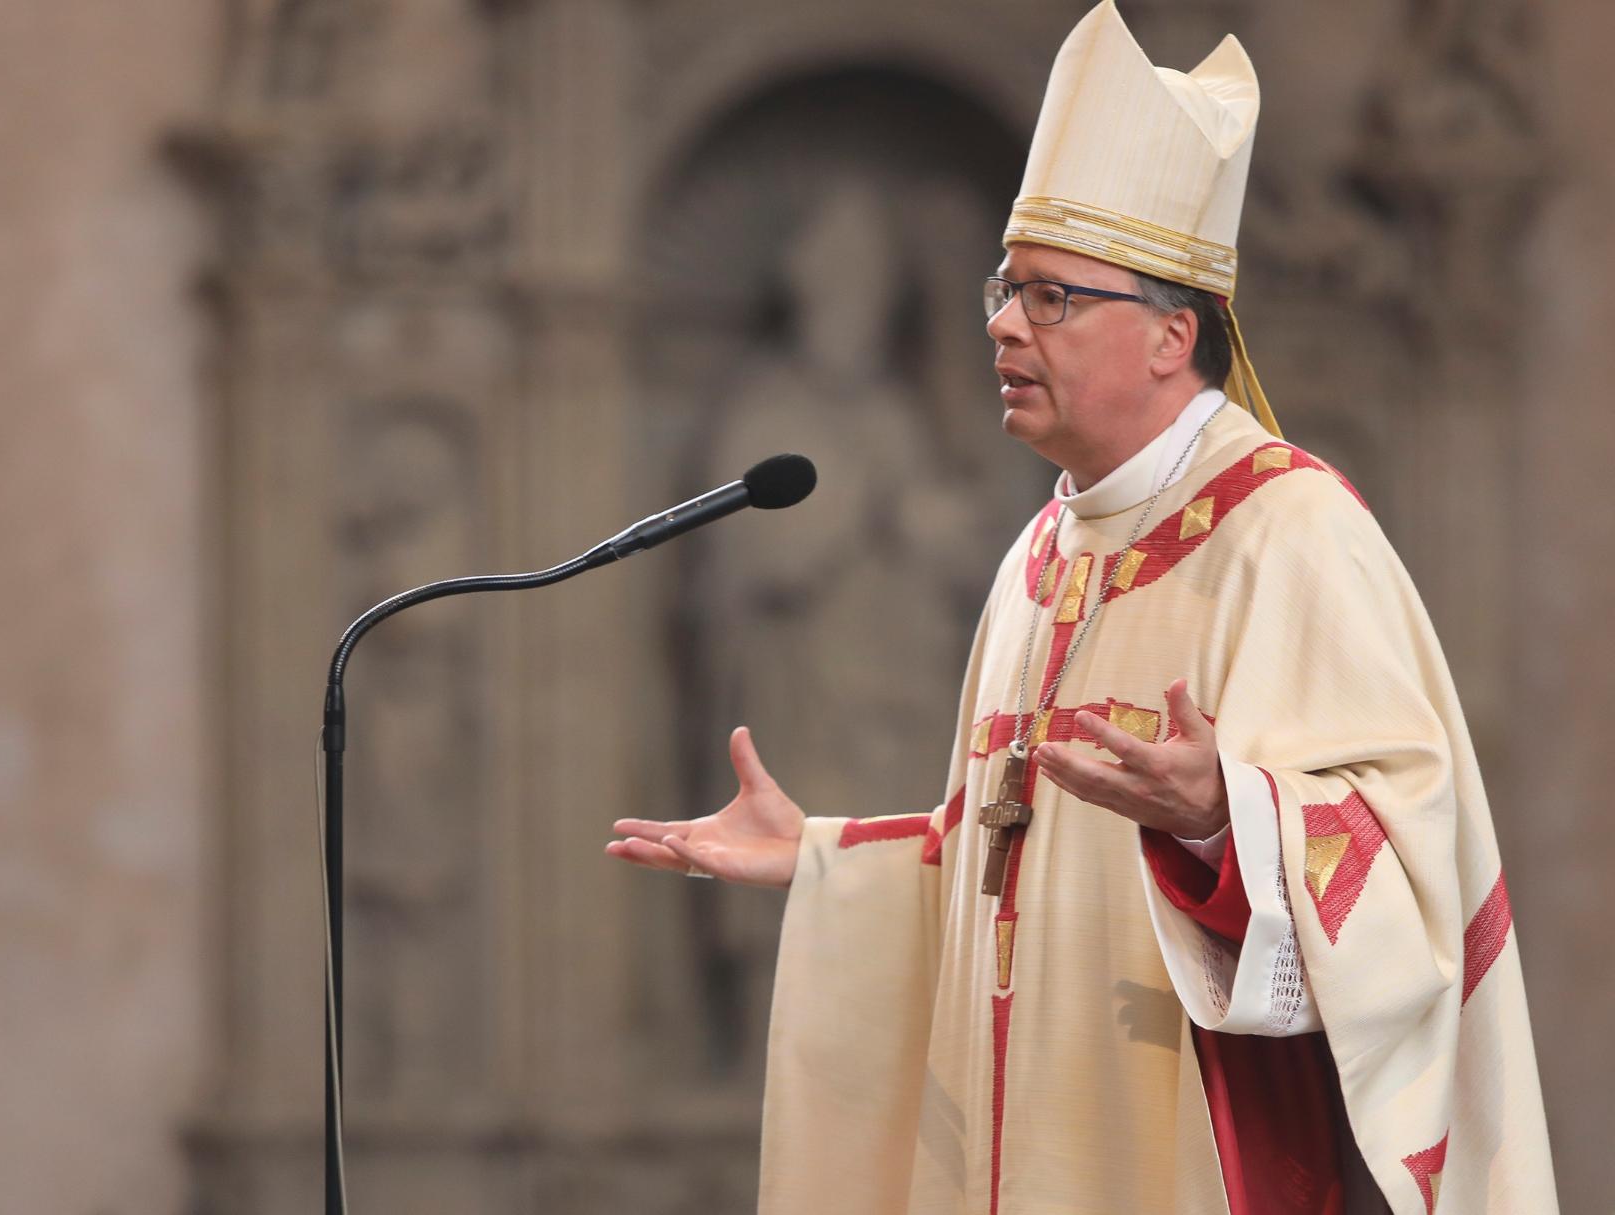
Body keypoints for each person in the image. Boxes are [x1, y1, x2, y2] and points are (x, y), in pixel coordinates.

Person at [607, 4, 1556, 1210]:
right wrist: (827, 864)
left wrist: (1228, 824)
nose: (1003, 323)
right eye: (1005, 290)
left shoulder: (1291, 534)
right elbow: (1013, 875)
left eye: (1052, 298)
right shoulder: (1041, 555)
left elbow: (1416, 891)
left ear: (1172, 335)